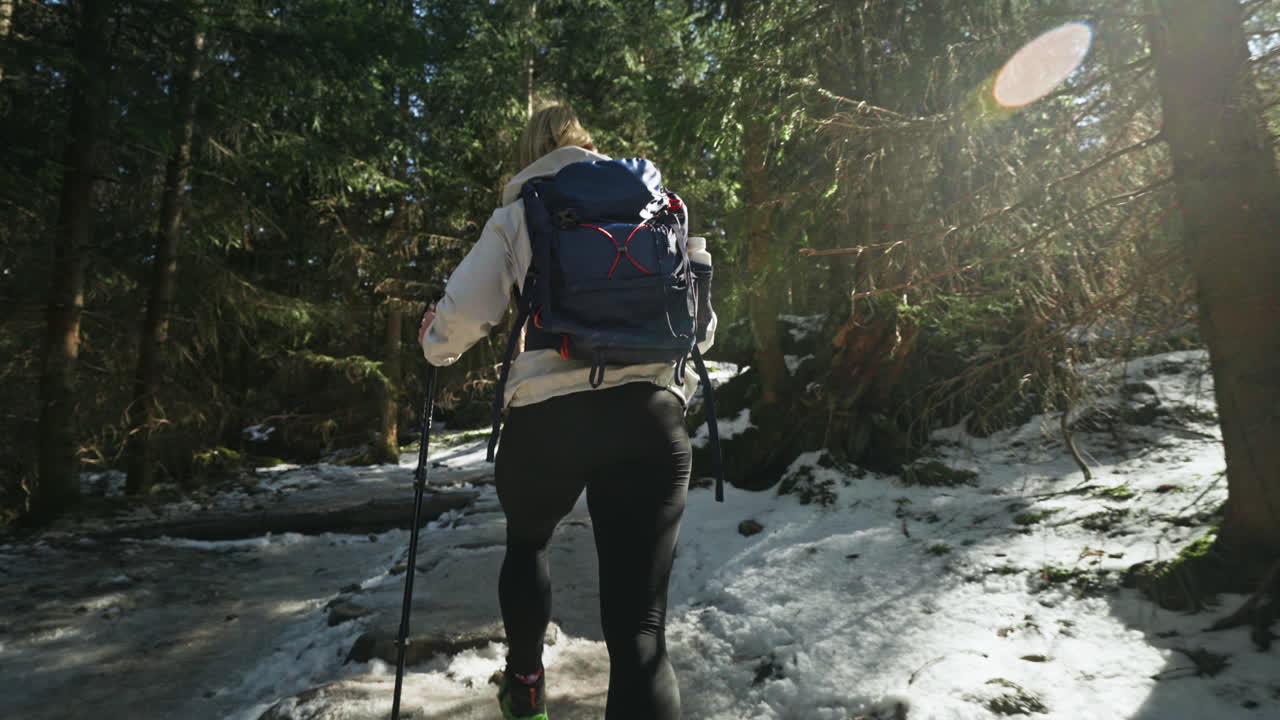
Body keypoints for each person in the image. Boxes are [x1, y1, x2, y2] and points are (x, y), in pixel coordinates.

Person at [418, 104, 715, 720]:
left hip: (548, 418)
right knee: (640, 632)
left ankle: (525, 683)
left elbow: (455, 330)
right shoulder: (655, 206)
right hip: (649, 414)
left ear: (530, 152)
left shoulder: (520, 211)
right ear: (590, 144)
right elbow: (703, 330)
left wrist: (433, 341)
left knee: (528, 543)